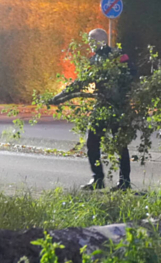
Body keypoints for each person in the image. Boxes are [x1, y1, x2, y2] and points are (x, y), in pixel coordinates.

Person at [50, 28, 137, 191]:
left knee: (120, 144)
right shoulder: (94, 59)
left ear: (103, 40)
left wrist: (123, 95)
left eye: (93, 39)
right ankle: (98, 179)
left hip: (117, 106)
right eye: (89, 39)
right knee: (92, 142)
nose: (89, 43)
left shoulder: (118, 55)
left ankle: (124, 182)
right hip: (102, 105)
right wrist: (60, 96)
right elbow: (82, 82)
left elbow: (132, 75)